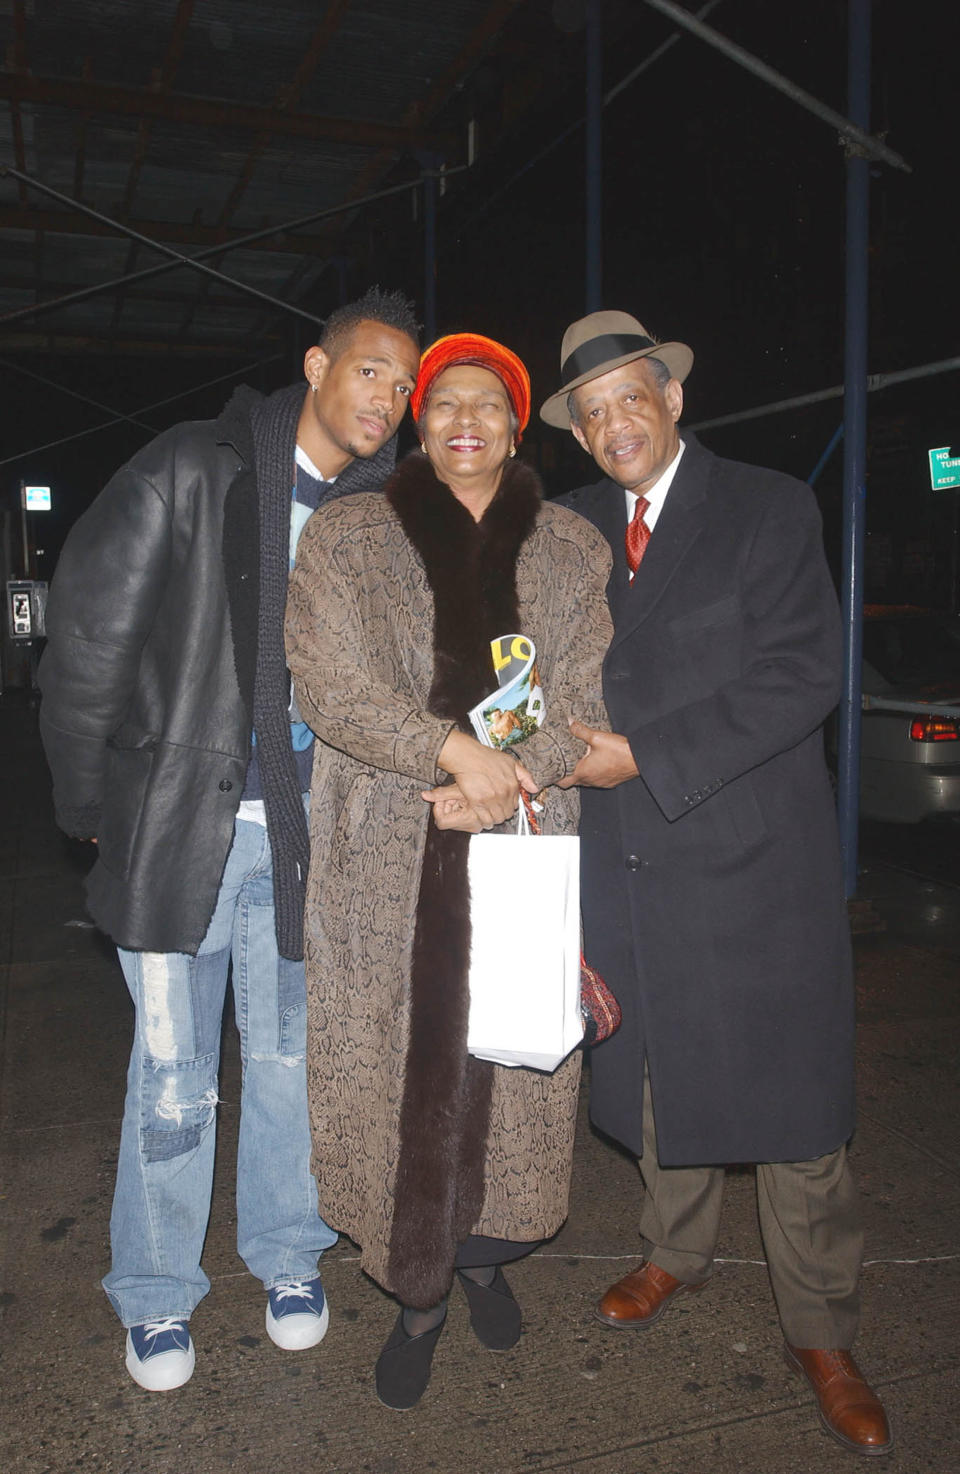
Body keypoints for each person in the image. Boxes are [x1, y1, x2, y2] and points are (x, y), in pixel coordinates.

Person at [38, 287, 421, 1392]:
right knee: (172, 1074)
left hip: (305, 844)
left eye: (402, 386)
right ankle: (156, 1295)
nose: (388, 401)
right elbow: (90, 640)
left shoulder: (375, 514)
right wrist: (87, 808)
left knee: (291, 1065)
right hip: (176, 831)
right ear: (316, 365)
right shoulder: (192, 470)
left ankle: (287, 1254)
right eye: (372, 372)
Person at [541, 310, 892, 1457]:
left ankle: (822, 1328)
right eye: (590, 414)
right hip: (626, 860)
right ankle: (673, 1252)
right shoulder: (574, 528)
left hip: (750, 859)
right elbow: (523, 654)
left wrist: (647, 753)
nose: (612, 424)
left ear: (675, 398)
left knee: (794, 1111)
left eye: (629, 397)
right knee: (653, 1077)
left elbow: (803, 673)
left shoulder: (766, 506)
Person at [285, 332, 613, 1410]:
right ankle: (415, 1290)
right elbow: (325, 683)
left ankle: (477, 1259)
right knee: (392, 1070)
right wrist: (453, 752)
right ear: (421, 426)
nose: (464, 416)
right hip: (385, 844)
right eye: (443, 401)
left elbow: (583, 708)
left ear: (517, 428)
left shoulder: (569, 549)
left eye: (489, 402)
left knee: (511, 1068)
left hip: (517, 844)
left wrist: (512, 774)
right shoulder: (349, 533)